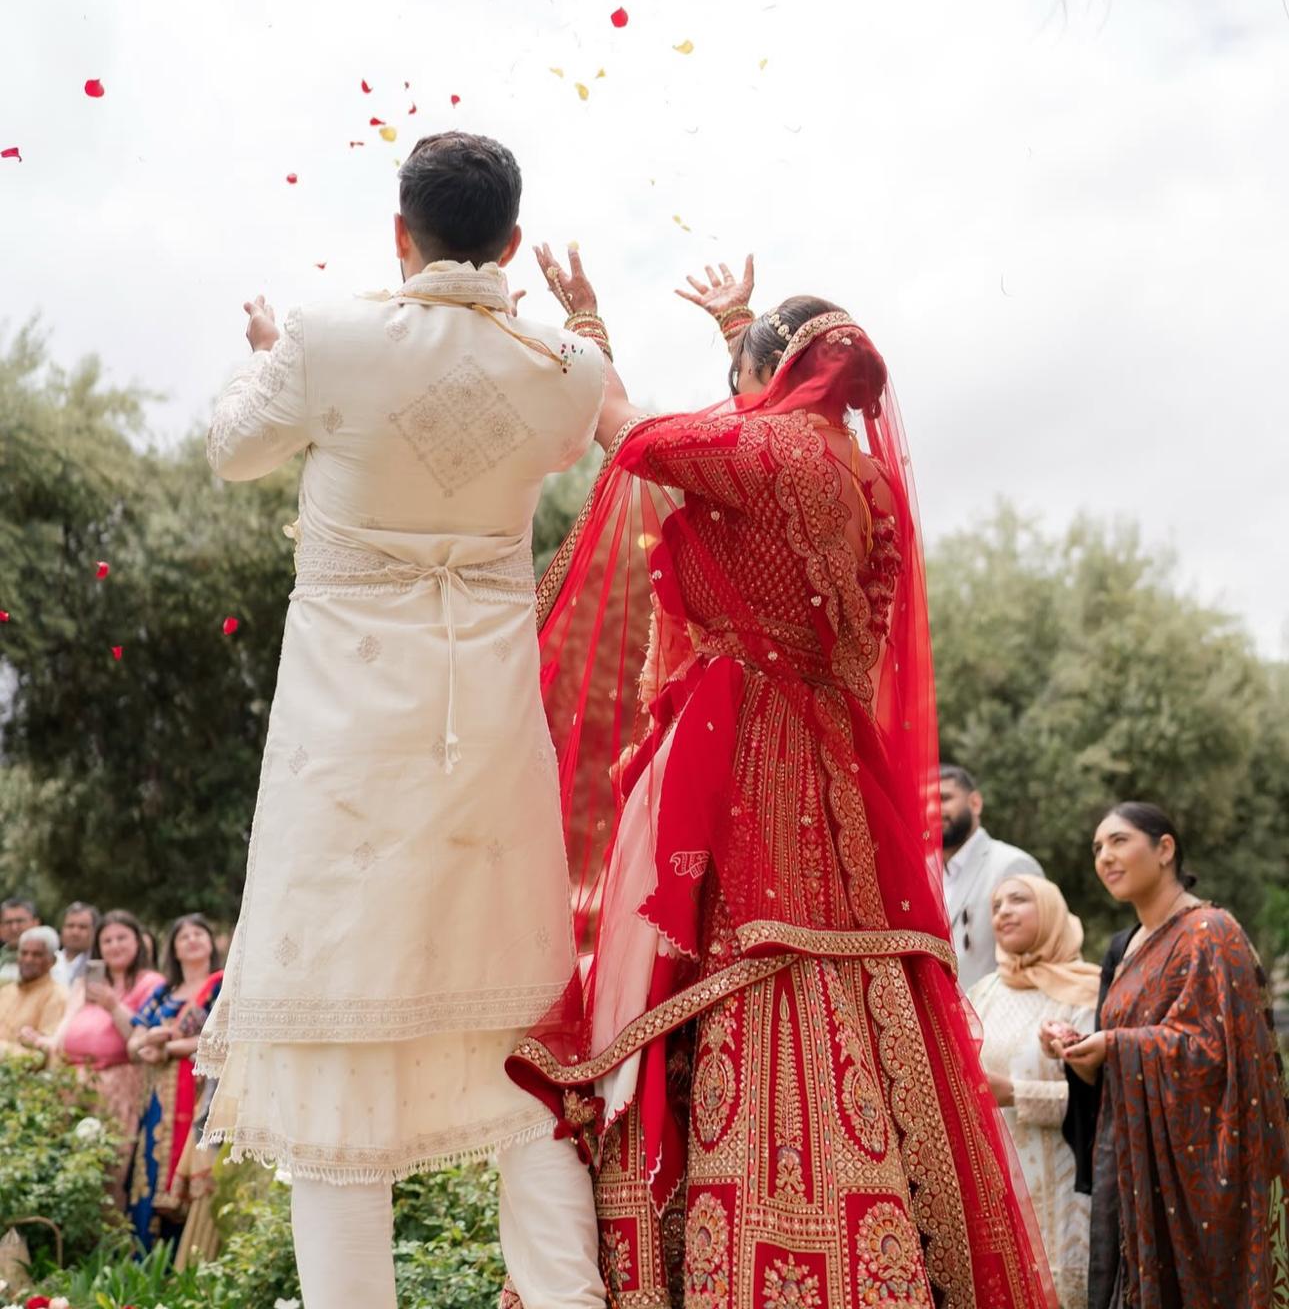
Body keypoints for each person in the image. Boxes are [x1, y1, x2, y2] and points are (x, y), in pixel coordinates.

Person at [507, 256, 1056, 1307]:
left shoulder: (757, 448)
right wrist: (742, 330)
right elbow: (767, 461)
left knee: (740, 965)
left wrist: (582, 321)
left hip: (743, 766)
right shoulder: (863, 485)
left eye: (745, 370)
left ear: (768, 374)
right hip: (837, 776)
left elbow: (622, 425)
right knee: (849, 975)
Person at [197, 132, 609, 1309]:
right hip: (485, 738)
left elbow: (232, 451)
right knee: (522, 1033)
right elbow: (588, 414)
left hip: (346, 746)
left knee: (335, 1037)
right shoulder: (562, 365)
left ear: (399, 231)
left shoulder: (329, 339)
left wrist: (270, 354)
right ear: (514, 241)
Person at [1046, 802, 1289, 1309]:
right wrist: (1079, 1051)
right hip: (1131, 1156)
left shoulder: (1211, 932)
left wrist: (1117, 1045)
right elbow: (1113, 1056)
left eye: (1118, 841)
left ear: (1164, 849)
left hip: (1199, 1166)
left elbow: (1220, 1051)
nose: (1104, 857)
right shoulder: (1127, 946)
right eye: (1096, 849)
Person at [969, 876, 1098, 1309]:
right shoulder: (981, 994)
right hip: (998, 1179)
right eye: (996, 904)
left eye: (1018, 900)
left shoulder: (1088, 991)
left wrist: (1016, 1094)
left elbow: (1104, 1101)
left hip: (1067, 1182)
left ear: (1050, 910)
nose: (1003, 911)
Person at [22, 909, 165, 1201]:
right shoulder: (86, 981)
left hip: (118, 1084)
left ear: (137, 941)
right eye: (107, 940)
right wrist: (45, 1042)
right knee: (66, 1163)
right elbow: (66, 1028)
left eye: (121, 938)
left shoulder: (151, 983)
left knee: (109, 1166)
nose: (114, 945)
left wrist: (113, 1006)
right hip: (73, 1082)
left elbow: (138, 1043)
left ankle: (111, 1241)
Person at [126, 914, 224, 1248]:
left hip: (199, 1092)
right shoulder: (163, 991)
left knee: (189, 1165)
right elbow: (135, 1040)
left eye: (199, 933)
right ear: (174, 949)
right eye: (184, 936)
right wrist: (148, 1043)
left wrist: (167, 1047)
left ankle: (184, 1255)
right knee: (151, 1168)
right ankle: (146, 1260)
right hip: (158, 1096)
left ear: (211, 943)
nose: (192, 940)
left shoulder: (222, 986)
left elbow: (224, 1037)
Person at [940, 764, 1044, 990]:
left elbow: (1038, 956)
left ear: (975, 803)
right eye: (925, 803)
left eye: (944, 798)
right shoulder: (924, 876)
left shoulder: (1012, 864)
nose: (933, 809)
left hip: (995, 1016)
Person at [0, 926, 68, 1051]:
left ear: (52, 961)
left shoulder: (58, 996)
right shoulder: (6, 991)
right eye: (24, 953)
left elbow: (42, 1053)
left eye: (37, 955)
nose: (28, 959)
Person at [53, 901, 100, 987]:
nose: (75, 932)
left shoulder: (98, 964)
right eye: (70, 926)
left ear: (95, 931)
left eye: (82, 927)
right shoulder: (49, 961)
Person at [0, 898, 39, 985]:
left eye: (20, 921)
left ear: (35, 923)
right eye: (8, 922)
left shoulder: (52, 962)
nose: (14, 928)